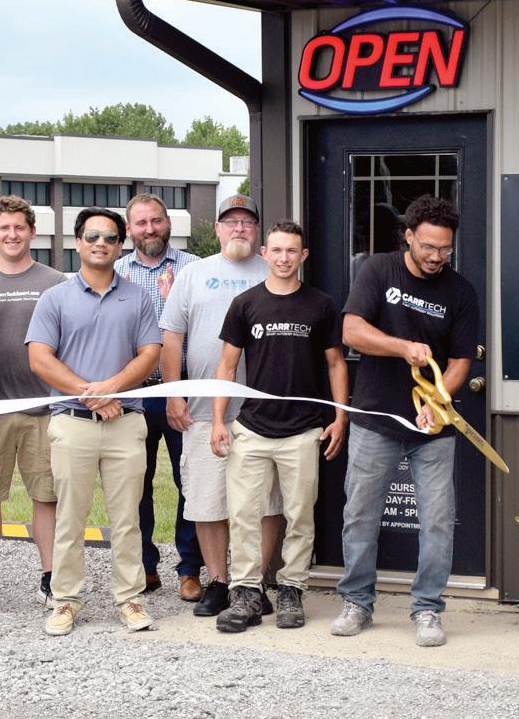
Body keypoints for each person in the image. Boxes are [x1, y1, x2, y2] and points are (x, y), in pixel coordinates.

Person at [331, 194, 481, 648]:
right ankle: (357, 601)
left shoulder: (460, 292)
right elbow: (352, 331)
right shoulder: (377, 270)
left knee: (437, 521)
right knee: (360, 514)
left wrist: (437, 400)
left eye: (445, 249)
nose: (437, 257)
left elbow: (460, 361)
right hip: (376, 416)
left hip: (433, 428)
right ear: (409, 237)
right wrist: (403, 348)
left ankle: (428, 608)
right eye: (429, 247)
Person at [26, 207, 162, 635]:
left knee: (127, 518)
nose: (100, 243)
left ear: (120, 246)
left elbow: (150, 354)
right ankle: (66, 601)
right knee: (70, 517)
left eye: (109, 237)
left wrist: (112, 390)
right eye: (92, 236)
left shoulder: (137, 298)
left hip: (126, 422)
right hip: (72, 422)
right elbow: (40, 358)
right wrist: (92, 393)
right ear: (77, 243)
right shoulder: (55, 298)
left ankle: (130, 599)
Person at [210, 221, 349, 633]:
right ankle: (247, 593)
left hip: (304, 431)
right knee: (243, 515)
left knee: (300, 516)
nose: (284, 258)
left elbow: (336, 364)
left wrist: (340, 416)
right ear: (265, 253)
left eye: (292, 251)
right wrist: (218, 420)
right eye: (277, 250)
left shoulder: (321, 305)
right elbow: (227, 365)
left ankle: (291, 589)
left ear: (303, 256)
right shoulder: (245, 303)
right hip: (251, 428)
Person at [160, 193, 280, 618]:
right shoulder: (194, 275)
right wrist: (173, 393)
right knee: (207, 500)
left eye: (247, 222)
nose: (239, 228)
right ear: (217, 229)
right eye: (231, 222)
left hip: (263, 414)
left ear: (257, 229)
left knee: (266, 504)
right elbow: (171, 337)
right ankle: (218, 581)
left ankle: (255, 584)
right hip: (202, 410)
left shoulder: (273, 270)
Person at [0, 196, 66, 610]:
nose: (12, 235)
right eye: (4, 228)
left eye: (20, 228)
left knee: (46, 496)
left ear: (32, 232)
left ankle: (50, 577)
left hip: (44, 407)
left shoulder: (56, 282)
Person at [116, 193, 202, 600]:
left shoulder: (194, 269)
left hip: (184, 389)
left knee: (191, 481)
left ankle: (190, 569)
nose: (150, 229)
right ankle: (145, 567)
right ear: (129, 229)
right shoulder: (115, 271)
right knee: (135, 482)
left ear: (169, 223)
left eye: (156, 221)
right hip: (133, 392)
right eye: (141, 223)